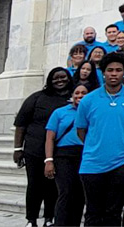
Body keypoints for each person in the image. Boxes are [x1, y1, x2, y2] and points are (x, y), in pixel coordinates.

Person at [76, 52, 124, 226]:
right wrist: (97, 143)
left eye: (118, 70)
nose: (114, 74)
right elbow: (81, 130)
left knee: (114, 211)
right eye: (110, 70)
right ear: (103, 73)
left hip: (122, 162)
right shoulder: (88, 100)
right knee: (93, 211)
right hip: (93, 163)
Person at [15, 67, 72, 227]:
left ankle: (49, 218)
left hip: (60, 152)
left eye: (63, 77)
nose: (60, 81)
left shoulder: (73, 97)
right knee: (34, 185)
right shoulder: (37, 98)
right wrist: (17, 149)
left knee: (53, 186)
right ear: (49, 80)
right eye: (56, 78)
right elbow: (21, 124)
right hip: (34, 149)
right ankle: (31, 219)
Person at [44, 83, 88, 227]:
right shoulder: (59, 112)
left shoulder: (91, 112)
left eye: (83, 93)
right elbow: (50, 137)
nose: (80, 96)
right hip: (63, 155)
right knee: (66, 192)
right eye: (77, 93)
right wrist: (49, 160)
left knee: (80, 195)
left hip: (84, 155)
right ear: (72, 95)